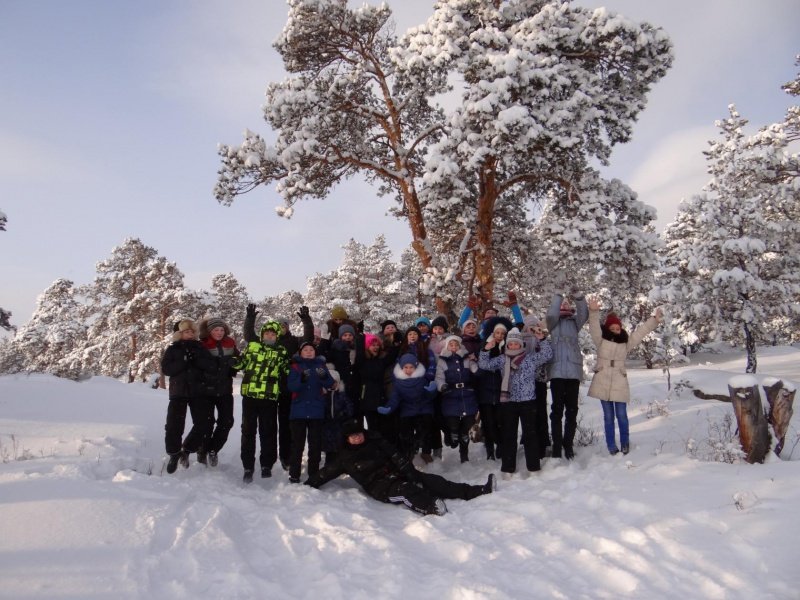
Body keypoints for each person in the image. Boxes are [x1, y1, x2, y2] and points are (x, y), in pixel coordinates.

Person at [305, 420, 497, 516]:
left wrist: (411, 473)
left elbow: (397, 457)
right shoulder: (344, 457)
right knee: (406, 491)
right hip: (380, 486)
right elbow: (326, 473)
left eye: (359, 434)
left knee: (432, 481)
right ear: (347, 439)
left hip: (396, 474)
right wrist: (309, 484)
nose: (357, 438)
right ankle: (431, 507)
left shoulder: (376, 441)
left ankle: (477, 490)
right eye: (352, 437)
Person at [587, 297, 663, 455]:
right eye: (613, 328)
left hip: (619, 381)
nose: (616, 330)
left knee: (621, 415)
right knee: (608, 417)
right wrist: (593, 311)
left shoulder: (625, 343)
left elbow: (640, 333)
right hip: (603, 380)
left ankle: (625, 443)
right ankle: (611, 446)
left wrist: (653, 321)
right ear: (608, 329)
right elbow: (594, 327)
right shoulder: (600, 341)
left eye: (618, 328)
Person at [245, 303, 313, 471]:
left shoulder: (294, 341)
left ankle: (285, 456)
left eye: (284, 326)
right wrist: (250, 318)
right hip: (267, 390)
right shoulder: (265, 342)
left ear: (287, 328)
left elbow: (308, 339)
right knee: (268, 426)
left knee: (285, 425)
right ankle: (267, 459)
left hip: (286, 389)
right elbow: (249, 336)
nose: (281, 329)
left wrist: (306, 321)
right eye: (279, 326)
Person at [479, 327, 552, 478]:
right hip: (508, 402)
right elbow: (484, 365)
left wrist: (542, 339)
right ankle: (507, 468)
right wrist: (485, 350)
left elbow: (547, 354)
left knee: (530, 435)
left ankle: (533, 467)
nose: (513, 346)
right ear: (507, 345)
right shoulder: (501, 359)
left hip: (528, 401)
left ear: (521, 345)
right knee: (508, 435)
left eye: (516, 344)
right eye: (510, 344)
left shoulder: (530, 358)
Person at [234, 319, 290, 483]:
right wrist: (233, 361)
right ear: (262, 334)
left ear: (276, 336)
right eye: (267, 333)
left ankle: (266, 464)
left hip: (269, 397)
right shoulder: (252, 347)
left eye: (273, 334)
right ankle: (248, 466)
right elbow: (242, 363)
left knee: (268, 431)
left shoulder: (281, 351)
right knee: (248, 431)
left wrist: (300, 370)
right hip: (250, 395)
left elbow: (287, 368)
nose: (270, 336)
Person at [160, 319, 215, 473]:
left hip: (198, 391)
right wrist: (183, 362)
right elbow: (166, 369)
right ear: (179, 334)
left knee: (203, 423)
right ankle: (173, 454)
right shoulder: (172, 349)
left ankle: (188, 449)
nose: (190, 334)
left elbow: (210, 366)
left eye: (192, 332)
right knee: (174, 425)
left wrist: (197, 361)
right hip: (178, 392)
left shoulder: (200, 347)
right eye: (186, 332)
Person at [546, 292, 589, 460]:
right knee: (557, 411)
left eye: (565, 303)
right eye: (561, 304)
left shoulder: (574, 322)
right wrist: (557, 296)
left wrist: (579, 298)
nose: (563, 305)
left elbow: (584, 314)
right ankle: (557, 445)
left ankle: (568, 444)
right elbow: (550, 314)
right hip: (556, 371)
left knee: (572, 410)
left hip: (573, 372)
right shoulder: (552, 323)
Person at [287, 341, 336, 483]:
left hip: (316, 411)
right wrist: (302, 380)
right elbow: (292, 387)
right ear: (300, 352)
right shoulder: (295, 367)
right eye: (306, 350)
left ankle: (313, 472)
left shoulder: (321, 366)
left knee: (315, 444)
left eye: (311, 350)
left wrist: (325, 377)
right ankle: (294, 473)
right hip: (298, 412)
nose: (309, 352)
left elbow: (331, 384)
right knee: (297, 444)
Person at [196, 317, 240, 467]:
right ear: (209, 331)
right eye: (216, 330)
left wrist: (235, 364)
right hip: (206, 391)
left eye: (221, 330)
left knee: (227, 422)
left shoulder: (230, 343)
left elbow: (238, 361)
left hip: (225, 390)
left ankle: (214, 449)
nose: (219, 332)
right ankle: (202, 450)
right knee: (207, 424)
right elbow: (198, 365)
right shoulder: (202, 344)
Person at [378, 353, 437, 462]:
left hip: (423, 408)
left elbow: (428, 396)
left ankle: (426, 452)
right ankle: (409, 452)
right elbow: (395, 398)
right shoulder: (398, 383)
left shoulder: (422, 379)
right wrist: (389, 407)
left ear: (416, 367)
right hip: (408, 409)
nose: (408, 370)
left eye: (411, 367)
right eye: (406, 367)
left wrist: (431, 391)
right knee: (405, 431)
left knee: (426, 428)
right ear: (401, 368)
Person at [435, 335, 479, 462]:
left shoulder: (466, 358)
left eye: (456, 345)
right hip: (451, 394)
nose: (454, 347)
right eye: (451, 345)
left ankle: (464, 453)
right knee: (452, 422)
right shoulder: (442, 360)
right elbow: (439, 377)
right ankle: (452, 435)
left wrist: (474, 361)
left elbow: (476, 371)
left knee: (468, 423)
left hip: (467, 394)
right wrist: (442, 386)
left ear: (460, 346)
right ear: (447, 346)